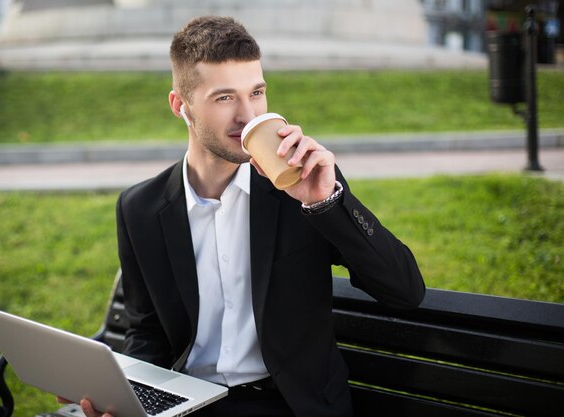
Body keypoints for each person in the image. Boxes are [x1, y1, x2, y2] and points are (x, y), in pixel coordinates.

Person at [62, 15, 425, 417]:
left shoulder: (303, 187)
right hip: (190, 404)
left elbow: (406, 292)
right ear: (180, 106)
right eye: (224, 98)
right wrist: (125, 399)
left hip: (290, 405)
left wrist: (325, 203)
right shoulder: (140, 209)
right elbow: (147, 331)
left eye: (256, 92)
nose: (247, 115)